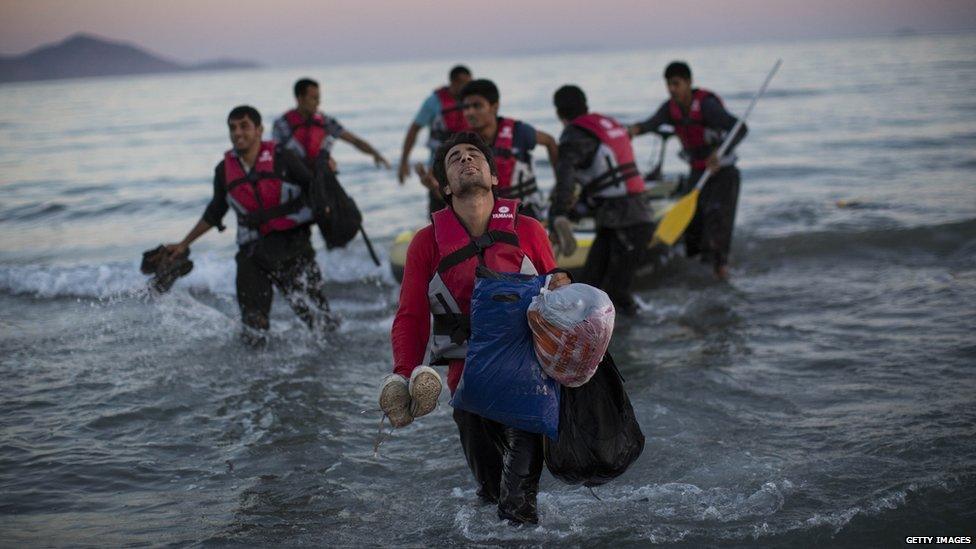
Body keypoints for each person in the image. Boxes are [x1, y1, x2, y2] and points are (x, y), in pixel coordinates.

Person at [385, 132, 569, 524]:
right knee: (489, 500)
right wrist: (403, 375)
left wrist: (564, 284)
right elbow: (411, 317)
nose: (466, 160)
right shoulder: (426, 244)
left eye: (474, 155)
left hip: (528, 388)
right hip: (469, 390)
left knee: (517, 510)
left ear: (494, 176)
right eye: (455, 158)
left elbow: (558, 303)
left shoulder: (530, 231)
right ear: (446, 186)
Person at [165, 105, 336, 344]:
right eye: (232, 128)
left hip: (293, 249)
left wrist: (326, 175)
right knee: (253, 328)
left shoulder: (283, 157)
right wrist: (184, 244)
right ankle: (259, 379)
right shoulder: (224, 170)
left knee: (319, 322)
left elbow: (315, 189)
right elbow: (215, 212)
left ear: (259, 130)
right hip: (252, 255)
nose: (238, 133)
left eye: (244, 126)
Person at [628, 61, 747, 279]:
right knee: (695, 222)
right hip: (697, 171)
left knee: (718, 221)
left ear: (689, 82)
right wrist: (632, 131)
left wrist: (720, 152)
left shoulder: (707, 106)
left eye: (676, 84)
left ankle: (721, 270)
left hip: (722, 173)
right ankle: (699, 272)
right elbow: (651, 123)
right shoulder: (670, 108)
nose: (672, 89)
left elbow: (741, 128)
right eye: (669, 85)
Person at [548, 85, 653, 317]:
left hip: (625, 221)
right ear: (585, 105)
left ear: (558, 114)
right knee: (590, 286)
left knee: (616, 293)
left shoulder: (573, 135)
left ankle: (635, 340)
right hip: (632, 216)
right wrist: (578, 209)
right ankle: (599, 337)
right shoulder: (606, 124)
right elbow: (602, 180)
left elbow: (565, 182)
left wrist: (558, 216)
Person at [459, 78, 558, 220]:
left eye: (477, 106)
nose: (470, 112)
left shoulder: (519, 132)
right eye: (466, 107)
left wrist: (559, 186)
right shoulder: (464, 143)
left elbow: (550, 141)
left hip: (526, 210)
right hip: (487, 214)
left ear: (494, 107)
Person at [273, 78, 390, 175]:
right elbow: (277, 155)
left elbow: (354, 140)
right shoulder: (282, 124)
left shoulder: (325, 121)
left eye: (318, 98)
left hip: (323, 177)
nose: (318, 102)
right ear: (300, 98)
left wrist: (375, 153)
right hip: (295, 177)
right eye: (314, 98)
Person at [397, 65, 473, 214]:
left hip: (467, 165)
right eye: (465, 83)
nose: (468, 87)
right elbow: (414, 129)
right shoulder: (433, 102)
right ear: (454, 82)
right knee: (439, 211)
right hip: (439, 168)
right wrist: (404, 161)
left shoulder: (472, 103)